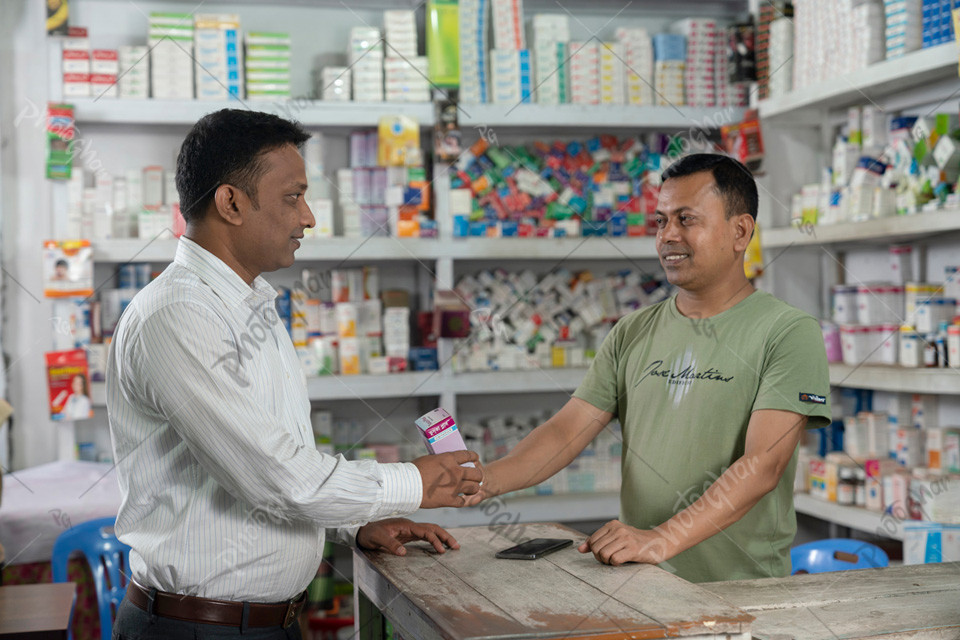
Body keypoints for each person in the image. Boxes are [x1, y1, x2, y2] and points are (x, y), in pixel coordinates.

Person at [106, 109, 483, 639]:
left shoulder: (251, 304)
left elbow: (278, 469)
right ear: (231, 203)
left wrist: (354, 524)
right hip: (198, 629)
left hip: (266, 623)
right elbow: (275, 478)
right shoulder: (178, 315)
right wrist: (414, 482)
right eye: (292, 197)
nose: (308, 217)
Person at [467, 153, 831, 583]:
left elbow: (762, 465)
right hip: (642, 583)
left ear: (740, 231)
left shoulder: (788, 331)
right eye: (660, 221)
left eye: (686, 219)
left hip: (740, 592)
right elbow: (567, 432)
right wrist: (483, 481)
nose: (667, 236)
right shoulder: (632, 331)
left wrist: (661, 538)